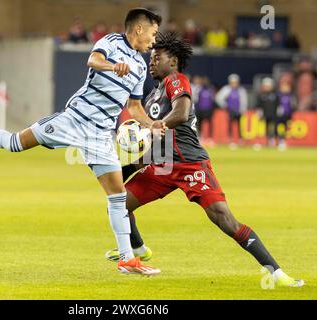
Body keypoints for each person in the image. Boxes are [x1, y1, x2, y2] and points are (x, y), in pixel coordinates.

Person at [0, 8, 164, 276]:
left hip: (101, 134)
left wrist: (152, 124)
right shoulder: (111, 43)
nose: (153, 39)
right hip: (74, 120)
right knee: (15, 143)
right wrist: (114, 66)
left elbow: (134, 107)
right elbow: (93, 61)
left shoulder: (139, 67)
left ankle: (127, 260)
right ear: (138, 29)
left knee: (117, 195)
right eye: (153, 33)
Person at [105, 33, 304, 287]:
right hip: (163, 164)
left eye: (157, 58)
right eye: (150, 58)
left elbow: (181, 113)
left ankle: (277, 274)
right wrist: (131, 166)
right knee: (119, 203)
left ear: (173, 61)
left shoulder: (176, 80)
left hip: (190, 163)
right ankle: (140, 250)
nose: (151, 62)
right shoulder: (153, 95)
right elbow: (157, 142)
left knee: (225, 220)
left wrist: (154, 127)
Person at [215, 73, 248, 148]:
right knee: (230, 125)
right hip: (230, 111)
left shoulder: (241, 90)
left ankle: (240, 139)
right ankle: (230, 139)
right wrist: (225, 106)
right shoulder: (226, 89)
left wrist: (243, 109)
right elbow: (218, 98)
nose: (234, 84)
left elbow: (244, 100)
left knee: (240, 125)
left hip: (238, 110)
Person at [256, 77, 279, 147]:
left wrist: (279, 110)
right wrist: (259, 112)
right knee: (266, 128)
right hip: (266, 114)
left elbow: (278, 103)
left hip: (274, 114)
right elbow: (259, 105)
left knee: (275, 127)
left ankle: (276, 140)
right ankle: (268, 141)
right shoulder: (261, 95)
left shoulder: (275, 95)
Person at [195, 76, 215, 144]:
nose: (205, 82)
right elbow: (196, 99)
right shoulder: (199, 89)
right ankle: (200, 138)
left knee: (210, 124)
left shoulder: (210, 89)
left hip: (208, 110)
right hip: (200, 110)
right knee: (199, 124)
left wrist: (212, 108)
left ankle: (210, 138)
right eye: (204, 81)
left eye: (206, 81)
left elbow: (212, 100)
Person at [276, 82, 295, 150]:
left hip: (287, 115)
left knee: (286, 128)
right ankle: (278, 140)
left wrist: (291, 113)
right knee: (278, 128)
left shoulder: (290, 96)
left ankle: (283, 140)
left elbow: (292, 105)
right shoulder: (278, 96)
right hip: (279, 116)